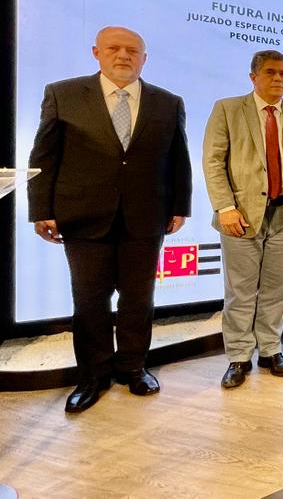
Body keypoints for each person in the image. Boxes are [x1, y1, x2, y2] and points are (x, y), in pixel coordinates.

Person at [27, 26, 192, 413]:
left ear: (144, 59)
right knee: (89, 301)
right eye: (114, 48)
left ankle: (133, 367)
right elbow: (44, 156)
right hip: (82, 217)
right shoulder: (63, 94)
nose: (123, 56)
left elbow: (178, 159)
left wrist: (180, 207)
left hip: (145, 217)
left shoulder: (168, 102)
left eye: (132, 51)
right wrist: (41, 210)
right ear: (96, 53)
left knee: (139, 299)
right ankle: (93, 376)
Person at [202, 50, 283, 388]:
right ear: (253, 77)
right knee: (240, 292)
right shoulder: (227, 109)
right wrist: (225, 207)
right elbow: (213, 162)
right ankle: (239, 356)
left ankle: (270, 350)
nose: (278, 78)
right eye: (270, 72)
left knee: (275, 289)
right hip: (241, 217)